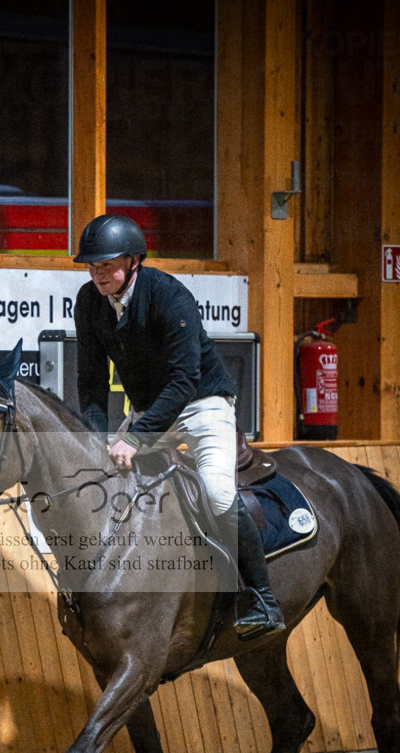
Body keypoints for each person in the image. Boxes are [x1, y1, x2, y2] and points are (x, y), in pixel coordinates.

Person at [73, 213, 285, 640]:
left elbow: (183, 379)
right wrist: (98, 442)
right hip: (151, 411)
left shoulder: (170, 296)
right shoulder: (89, 301)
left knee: (217, 492)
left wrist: (134, 437)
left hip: (201, 404)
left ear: (134, 261)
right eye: (92, 266)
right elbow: (91, 383)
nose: (98, 274)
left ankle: (262, 598)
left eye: (107, 265)